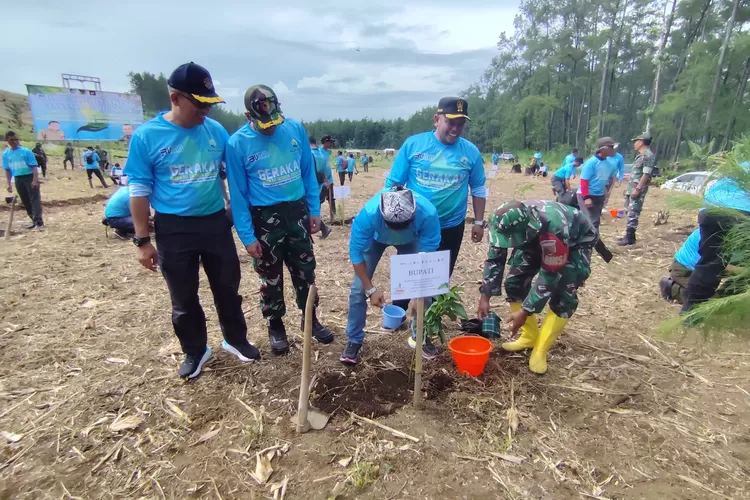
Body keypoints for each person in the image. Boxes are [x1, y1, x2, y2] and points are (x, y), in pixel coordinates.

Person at [125, 62, 259, 379]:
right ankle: (196, 350)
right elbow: (139, 191)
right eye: (199, 104)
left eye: (209, 104)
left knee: (228, 287)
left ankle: (236, 340)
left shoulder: (214, 132)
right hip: (174, 228)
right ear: (175, 98)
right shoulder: (147, 137)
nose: (205, 112)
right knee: (184, 298)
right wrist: (143, 241)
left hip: (214, 224)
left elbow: (236, 172)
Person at [226, 84, 333, 356]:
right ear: (248, 116)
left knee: (305, 269)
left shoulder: (294, 129)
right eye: (264, 124)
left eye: (275, 121)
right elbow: (238, 196)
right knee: (269, 275)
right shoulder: (237, 144)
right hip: (263, 217)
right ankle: (275, 325)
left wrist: (314, 212)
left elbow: (308, 174)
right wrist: (248, 237)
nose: (271, 128)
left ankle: (310, 318)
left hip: (296, 212)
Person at [385, 96, 487, 354]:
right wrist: (394, 219)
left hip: (451, 226)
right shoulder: (414, 145)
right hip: (415, 225)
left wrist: (478, 221)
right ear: (437, 119)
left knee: (436, 277)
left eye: (460, 123)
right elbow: (394, 184)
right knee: (409, 271)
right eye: (450, 122)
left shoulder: (470, 152)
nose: (455, 128)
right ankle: (398, 312)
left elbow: (478, 187)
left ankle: (422, 329)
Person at [477, 200, 595, 374]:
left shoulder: (554, 228)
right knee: (515, 282)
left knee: (564, 293)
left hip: (575, 242)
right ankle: (529, 336)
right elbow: (495, 258)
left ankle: (540, 349)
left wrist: (525, 311)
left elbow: (549, 276)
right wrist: (485, 296)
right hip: (534, 237)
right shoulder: (502, 223)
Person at [341, 187, 441, 364]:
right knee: (358, 290)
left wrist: (420, 294)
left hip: (412, 241)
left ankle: (421, 336)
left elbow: (428, 258)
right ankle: (354, 340)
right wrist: (370, 289)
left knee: (426, 292)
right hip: (376, 239)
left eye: (403, 228)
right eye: (393, 228)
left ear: (413, 216)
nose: (397, 234)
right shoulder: (368, 215)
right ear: (382, 217)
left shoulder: (428, 214)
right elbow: (356, 253)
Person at [680, 161, 750, 316]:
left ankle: (690, 314)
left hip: (711, 209)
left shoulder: (741, 165)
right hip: (744, 212)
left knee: (710, 264)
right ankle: (724, 306)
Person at [618, 133, 656, 246]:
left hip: (638, 189)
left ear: (641, 142)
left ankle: (630, 237)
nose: (634, 144)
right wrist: (628, 188)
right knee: (629, 211)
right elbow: (636, 173)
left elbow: (646, 174)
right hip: (632, 188)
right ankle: (629, 235)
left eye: (636, 141)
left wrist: (638, 189)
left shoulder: (648, 155)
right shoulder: (640, 155)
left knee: (633, 211)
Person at [576, 137, 618, 238]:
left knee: (595, 221)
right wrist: (586, 197)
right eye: (611, 147)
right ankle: (585, 241)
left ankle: (593, 240)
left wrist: (607, 191)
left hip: (599, 195)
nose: (613, 150)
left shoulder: (609, 164)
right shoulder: (591, 163)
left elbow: (610, 179)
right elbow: (584, 181)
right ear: (603, 148)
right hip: (586, 195)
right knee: (588, 220)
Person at [3, 131, 44, 230]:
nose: (14, 142)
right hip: (18, 178)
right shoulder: (6, 154)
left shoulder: (26, 152)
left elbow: (34, 167)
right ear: (7, 140)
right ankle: (33, 220)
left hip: (29, 177)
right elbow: (7, 170)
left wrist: (35, 180)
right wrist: (9, 184)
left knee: (34, 199)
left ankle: (39, 222)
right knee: (25, 200)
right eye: (11, 140)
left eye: (16, 139)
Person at [309, 136, 333, 239]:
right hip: (320, 185)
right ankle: (323, 228)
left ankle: (324, 228)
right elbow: (324, 172)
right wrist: (326, 181)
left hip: (311, 186)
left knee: (308, 209)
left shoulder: (310, 155)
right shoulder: (321, 155)